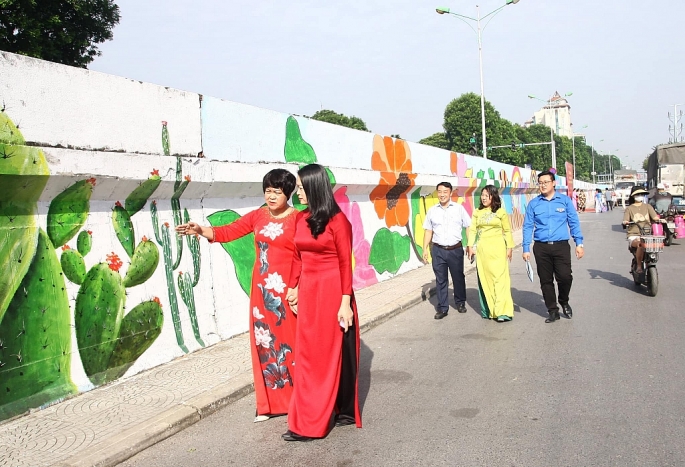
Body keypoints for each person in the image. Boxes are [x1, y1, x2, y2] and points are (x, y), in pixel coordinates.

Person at [175, 169, 298, 422]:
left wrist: (299, 288)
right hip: (261, 294)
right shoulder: (258, 216)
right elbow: (227, 232)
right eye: (268, 190)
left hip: (289, 293)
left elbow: (308, 256)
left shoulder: (299, 220)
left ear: (289, 192)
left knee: (291, 345)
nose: (271, 196)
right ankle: (269, 405)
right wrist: (200, 229)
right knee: (265, 345)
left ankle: (298, 399)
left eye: (277, 191)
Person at [282, 163, 361, 441]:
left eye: (301, 189)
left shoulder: (339, 222)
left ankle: (313, 423)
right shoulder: (300, 219)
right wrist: (292, 287)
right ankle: (310, 414)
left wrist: (344, 303)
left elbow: (345, 265)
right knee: (306, 356)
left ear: (315, 188)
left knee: (323, 358)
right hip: (308, 293)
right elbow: (296, 256)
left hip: (332, 293)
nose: (297, 194)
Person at [522, 169, 584, 323]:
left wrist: (579, 243)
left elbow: (573, 222)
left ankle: (564, 300)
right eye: (540, 183)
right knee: (546, 280)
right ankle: (552, 310)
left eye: (546, 182)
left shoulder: (564, 201)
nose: (542, 185)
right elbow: (528, 226)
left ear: (553, 183)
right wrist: (525, 248)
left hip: (561, 246)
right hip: (541, 247)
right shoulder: (534, 204)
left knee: (565, 277)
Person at [422, 182, 472, 319]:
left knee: (458, 277)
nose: (442, 194)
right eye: (439, 191)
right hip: (438, 250)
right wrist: (425, 248)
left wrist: (470, 245)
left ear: (450, 193)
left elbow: (468, 226)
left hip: (455, 249)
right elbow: (428, 230)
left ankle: (460, 302)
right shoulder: (432, 211)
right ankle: (443, 308)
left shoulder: (459, 209)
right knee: (441, 279)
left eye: (445, 191)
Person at [467, 185, 514, 322]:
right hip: (483, 251)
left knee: (500, 280)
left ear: (493, 196)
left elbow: (507, 230)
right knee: (485, 279)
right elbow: (473, 230)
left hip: (498, 249)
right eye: (482, 195)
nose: (483, 198)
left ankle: (502, 312)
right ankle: (489, 310)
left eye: (486, 195)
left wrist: (509, 247)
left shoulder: (500, 212)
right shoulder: (477, 212)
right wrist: (470, 246)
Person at [623, 187, 660, 273]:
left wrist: (660, 219)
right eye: (637, 194)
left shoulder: (648, 206)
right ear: (633, 196)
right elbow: (625, 220)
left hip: (647, 234)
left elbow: (655, 217)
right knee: (640, 243)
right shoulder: (629, 209)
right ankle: (639, 266)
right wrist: (625, 222)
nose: (640, 196)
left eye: (641, 194)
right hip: (634, 235)